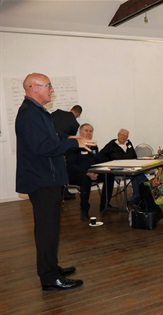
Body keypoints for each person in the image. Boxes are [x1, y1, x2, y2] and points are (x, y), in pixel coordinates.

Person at [15, 73, 92, 291]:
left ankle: (51, 267)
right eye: (48, 85)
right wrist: (74, 146)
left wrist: (71, 138)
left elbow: (51, 139)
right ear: (33, 87)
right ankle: (49, 278)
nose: (51, 89)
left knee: (50, 228)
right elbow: (44, 148)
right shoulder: (30, 113)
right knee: (47, 230)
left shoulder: (37, 112)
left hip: (45, 178)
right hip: (42, 180)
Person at [99, 128, 143, 210]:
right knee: (138, 176)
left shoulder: (129, 144)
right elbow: (101, 155)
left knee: (139, 175)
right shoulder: (111, 145)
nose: (124, 137)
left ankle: (139, 198)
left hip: (130, 169)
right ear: (118, 135)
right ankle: (141, 198)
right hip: (117, 170)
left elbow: (134, 156)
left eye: (126, 136)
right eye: (122, 135)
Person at [65, 123, 102, 221]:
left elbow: (98, 161)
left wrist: (97, 171)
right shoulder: (73, 146)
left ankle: (105, 205)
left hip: (91, 173)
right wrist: (87, 173)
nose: (88, 133)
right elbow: (71, 165)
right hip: (75, 175)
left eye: (90, 131)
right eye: (86, 131)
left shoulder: (93, 146)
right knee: (86, 179)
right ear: (80, 132)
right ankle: (84, 209)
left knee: (109, 176)